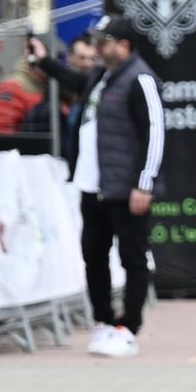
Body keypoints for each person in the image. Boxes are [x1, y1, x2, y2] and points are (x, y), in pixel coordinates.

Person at [27, 18, 163, 357]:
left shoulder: (141, 78)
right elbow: (75, 81)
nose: (97, 49)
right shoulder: (103, 77)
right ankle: (103, 321)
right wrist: (44, 61)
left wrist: (143, 184)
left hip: (126, 188)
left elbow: (155, 133)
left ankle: (129, 327)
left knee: (133, 258)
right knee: (94, 256)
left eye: (104, 42)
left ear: (124, 45)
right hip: (93, 186)